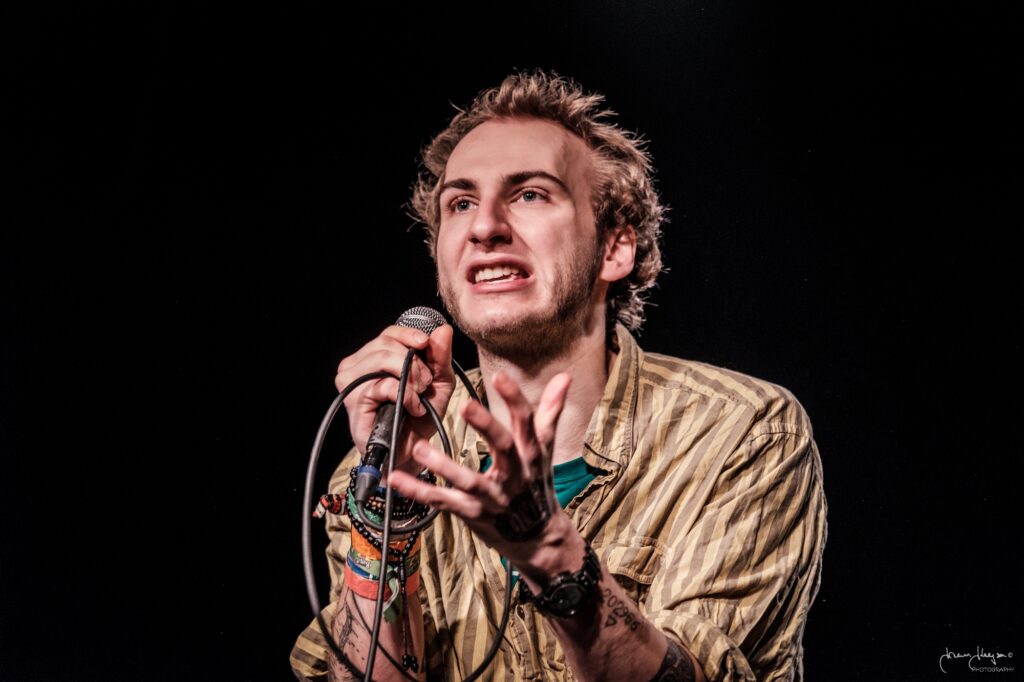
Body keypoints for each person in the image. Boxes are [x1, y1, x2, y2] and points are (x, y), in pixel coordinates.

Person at [290, 69, 827, 681]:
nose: (484, 227)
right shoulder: (375, 465)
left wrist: (554, 561)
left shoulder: (741, 431)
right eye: (460, 203)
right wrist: (388, 511)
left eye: (530, 195)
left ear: (614, 248)